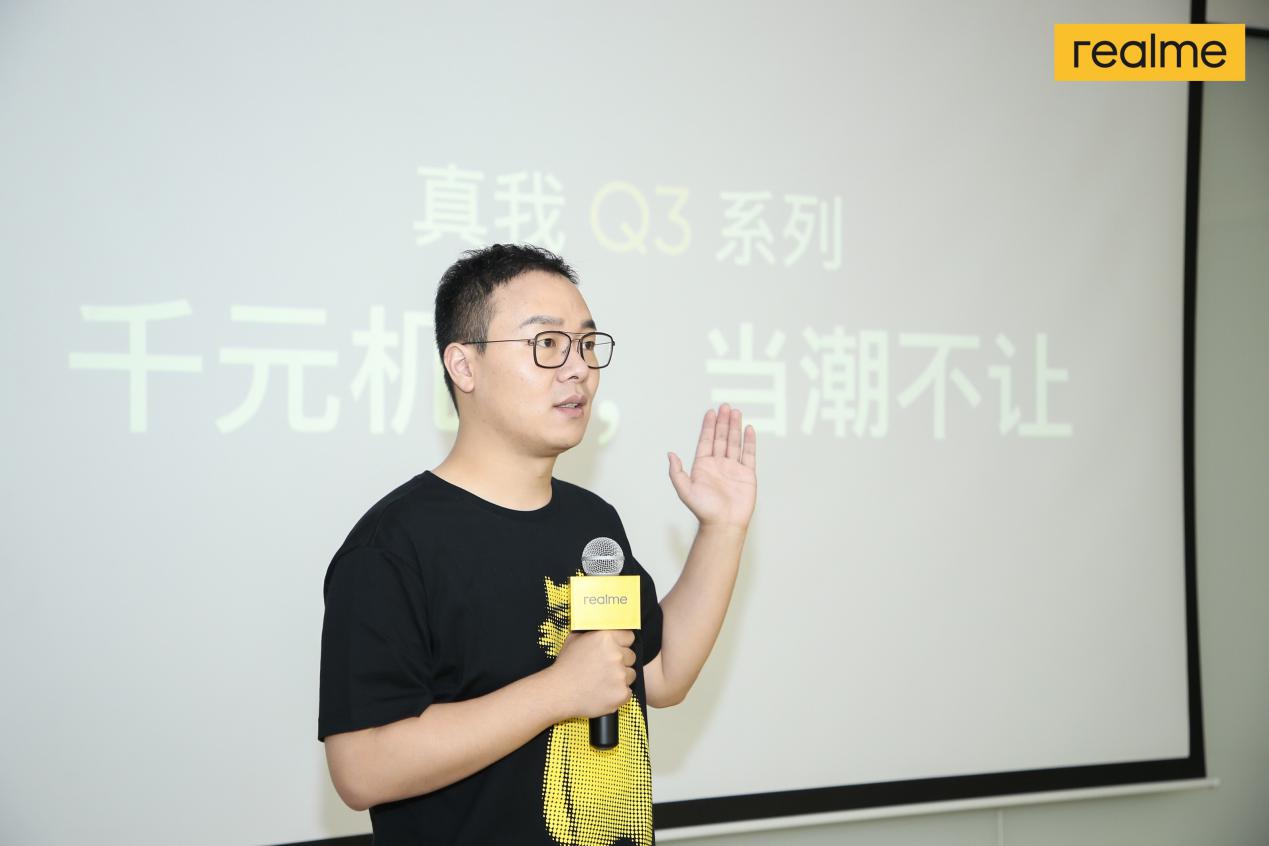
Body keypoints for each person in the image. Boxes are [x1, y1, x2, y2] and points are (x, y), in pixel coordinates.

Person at [318, 243, 757, 845]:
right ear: (464, 366)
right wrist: (556, 691)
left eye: (586, 344)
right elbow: (360, 767)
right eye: (546, 344)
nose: (577, 368)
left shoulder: (592, 522)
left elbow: (660, 674)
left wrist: (722, 529)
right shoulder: (392, 548)